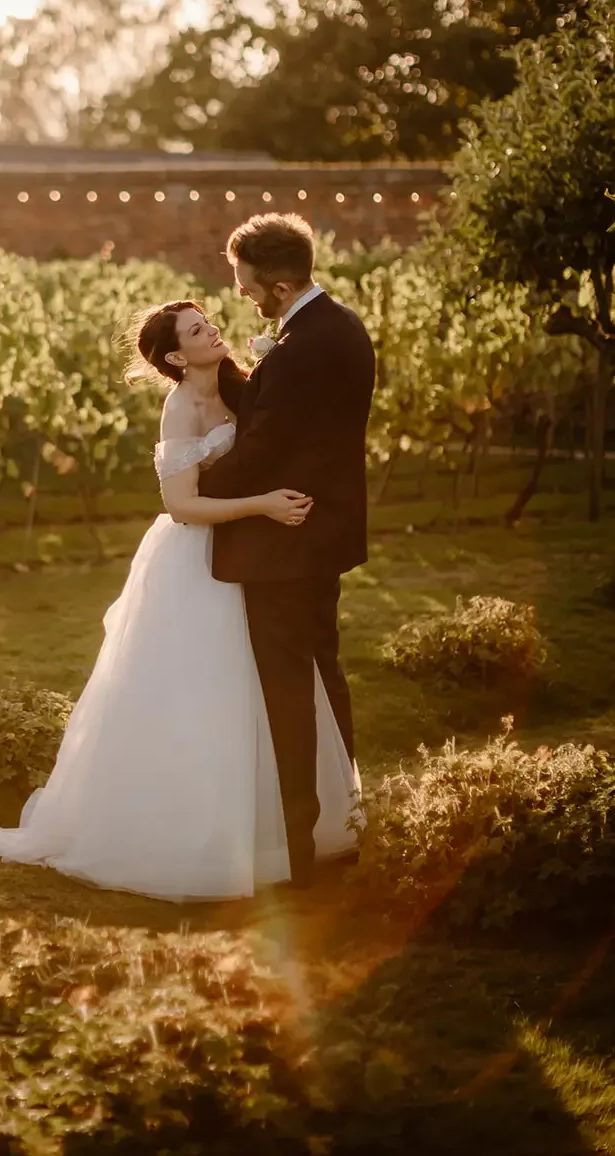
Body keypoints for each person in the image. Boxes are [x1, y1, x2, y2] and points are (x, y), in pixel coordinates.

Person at [0, 298, 360, 901]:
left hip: (255, 556)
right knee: (203, 696)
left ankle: (278, 834)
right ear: (176, 356)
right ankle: (197, 836)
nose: (215, 331)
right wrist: (262, 506)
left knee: (265, 690)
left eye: (210, 323)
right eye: (199, 330)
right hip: (196, 559)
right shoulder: (179, 410)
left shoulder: (245, 386)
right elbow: (181, 505)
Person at [199, 213, 376, 889]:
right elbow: (290, 424)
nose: (241, 291)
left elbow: (265, 447)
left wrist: (191, 487)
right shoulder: (337, 326)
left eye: (245, 280)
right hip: (320, 536)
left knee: (288, 693)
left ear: (274, 281)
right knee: (323, 680)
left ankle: (301, 849)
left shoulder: (302, 347)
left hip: (284, 546)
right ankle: (342, 825)